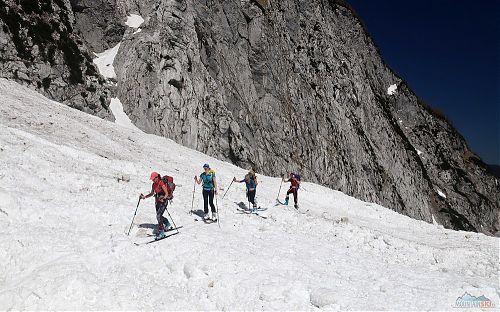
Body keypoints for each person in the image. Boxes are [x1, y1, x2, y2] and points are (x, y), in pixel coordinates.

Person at [140, 172, 173, 239]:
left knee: (158, 216)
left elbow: (166, 193)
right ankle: (167, 223)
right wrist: (145, 197)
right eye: (152, 179)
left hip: (163, 201)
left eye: (153, 179)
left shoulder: (161, 183)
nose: (152, 180)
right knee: (159, 215)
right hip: (157, 201)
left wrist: (163, 198)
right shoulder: (153, 184)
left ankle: (162, 232)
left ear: (157, 177)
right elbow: (152, 193)